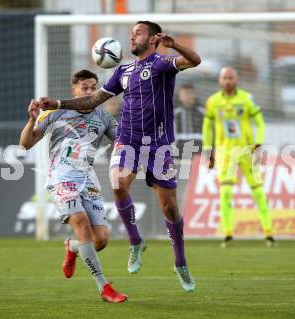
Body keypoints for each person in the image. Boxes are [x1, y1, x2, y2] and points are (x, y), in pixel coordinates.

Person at [38, 21, 201, 292]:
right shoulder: (123, 70)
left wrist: (175, 45)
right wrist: (58, 103)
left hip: (159, 145)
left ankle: (180, 262)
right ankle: (136, 242)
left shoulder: (162, 64)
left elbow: (194, 61)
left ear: (153, 38)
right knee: (118, 184)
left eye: (137, 32)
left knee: (169, 208)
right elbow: (92, 101)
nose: (131, 36)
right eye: (131, 33)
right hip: (127, 139)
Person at [19, 70, 127, 303]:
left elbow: (122, 141)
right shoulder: (55, 112)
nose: (90, 92)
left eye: (93, 88)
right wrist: (31, 119)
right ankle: (104, 287)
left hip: (87, 179)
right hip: (61, 178)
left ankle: (73, 247)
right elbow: (25, 144)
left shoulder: (104, 117)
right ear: (74, 90)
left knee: (101, 240)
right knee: (82, 225)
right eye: (85, 87)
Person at [202, 67, 275, 248]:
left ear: (236, 80)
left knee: (258, 192)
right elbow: (207, 127)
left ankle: (269, 233)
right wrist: (208, 151)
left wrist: (258, 143)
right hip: (224, 154)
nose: (228, 81)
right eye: (225, 78)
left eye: (231, 78)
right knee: (226, 193)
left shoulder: (246, 98)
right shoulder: (212, 101)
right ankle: (228, 234)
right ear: (220, 81)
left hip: (247, 152)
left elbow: (260, 122)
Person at [174, 83, 204, 150]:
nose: (187, 96)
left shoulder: (202, 113)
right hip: (179, 153)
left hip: (199, 152)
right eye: (184, 94)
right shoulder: (175, 114)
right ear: (180, 96)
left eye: (189, 94)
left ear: (194, 95)